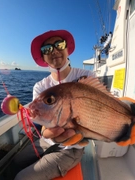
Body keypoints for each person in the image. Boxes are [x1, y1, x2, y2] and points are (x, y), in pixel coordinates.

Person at [7, 30, 96, 180]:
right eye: (47, 49)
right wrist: (45, 133)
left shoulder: (87, 77)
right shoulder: (40, 86)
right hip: (46, 142)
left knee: (21, 178)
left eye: (59, 45)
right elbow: (44, 126)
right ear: (43, 57)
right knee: (14, 163)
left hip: (71, 148)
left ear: (67, 49)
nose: (54, 51)